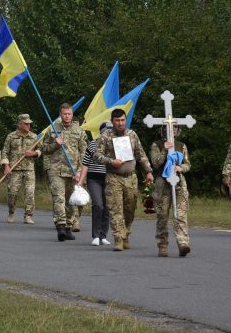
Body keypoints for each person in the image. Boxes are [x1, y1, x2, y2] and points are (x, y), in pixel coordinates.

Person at [93, 108, 154, 251]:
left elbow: (141, 154)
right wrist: (110, 161)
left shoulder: (132, 134)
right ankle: (118, 238)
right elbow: (96, 155)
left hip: (131, 178)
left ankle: (126, 232)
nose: (120, 123)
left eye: (122, 120)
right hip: (113, 177)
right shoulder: (106, 136)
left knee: (130, 208)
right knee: (115, 209)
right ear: (112, 121)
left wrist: (148, 171)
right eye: (117, 121)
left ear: (125, 120)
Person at [40, 103, 88, 241]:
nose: (67, 116)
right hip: (57, 171)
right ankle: (60, 226)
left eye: (69, 114)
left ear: (72, 115)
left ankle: (68, 227)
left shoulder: (79, 131)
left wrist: (80, 172)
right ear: (60, 115)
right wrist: (56, 143)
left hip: (73, 172)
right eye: (64, 114)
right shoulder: (53, 130)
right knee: (59, 198)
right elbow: (44, 148)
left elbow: (84, 153)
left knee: (71, 201)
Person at [150, 125, 192, 257]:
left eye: (175, 128)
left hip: (179, 182)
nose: (172, 131)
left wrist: (181, 168)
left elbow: (187, 164)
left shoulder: (181, 145)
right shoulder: (156, 144)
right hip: (163, 183)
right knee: (162, 215)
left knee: (180, 215)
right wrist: (164, 150)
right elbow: (155, 162)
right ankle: (162, 244)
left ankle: (183, 243)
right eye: (169, 128)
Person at [1, 114, 41, 224]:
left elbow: (40, 150)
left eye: (29, 123)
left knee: (30, 193)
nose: (29, 125)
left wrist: (33, 153)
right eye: (26, 123)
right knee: (12, 193)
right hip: (14, 169)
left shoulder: (34, 137)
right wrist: (6, 166)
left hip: (29, 169)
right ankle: (11, 212)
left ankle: (28, 215)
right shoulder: (11, 136)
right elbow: (4, 152)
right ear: (20, 124)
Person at [80, 122, 112, 246]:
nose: (109, 133)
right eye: (106, 130)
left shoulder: (116, 145)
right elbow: (85, 164)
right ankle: (96, 235)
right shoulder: (93, 144)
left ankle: (103, 236)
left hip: (109, 178)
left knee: (107, 206)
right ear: (101, 132)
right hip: (94, 179)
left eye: (111, 130)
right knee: (98, 205)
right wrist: (81, 181)